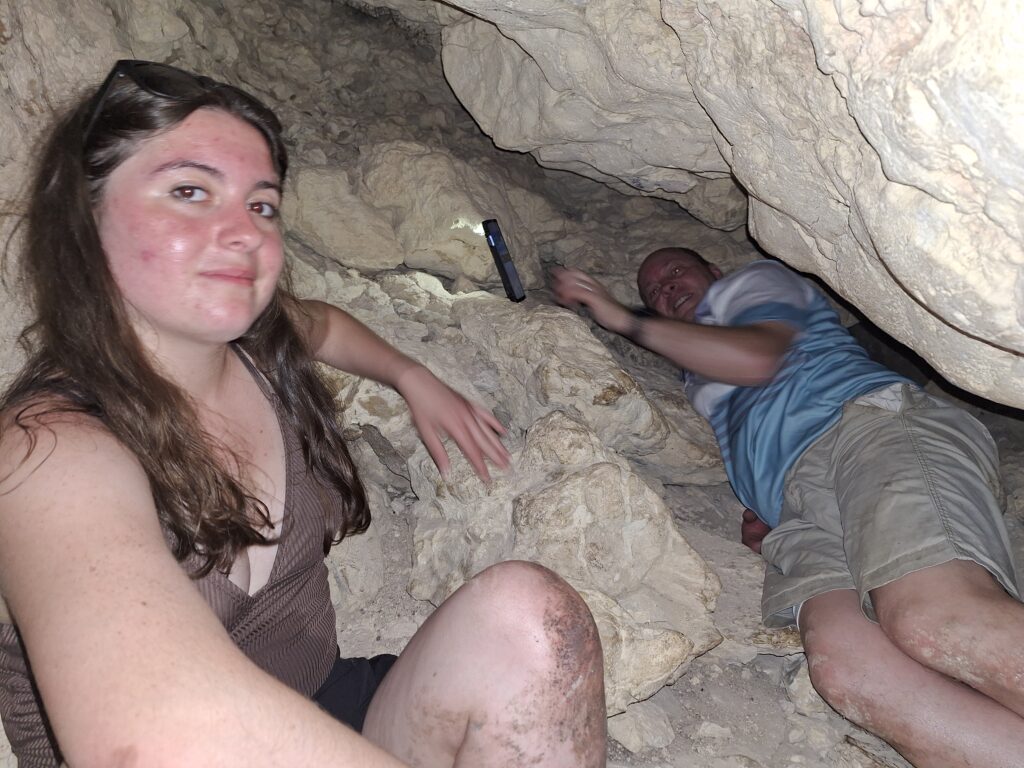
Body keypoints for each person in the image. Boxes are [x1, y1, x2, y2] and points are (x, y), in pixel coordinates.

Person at [0, 60, 607, 768]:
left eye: (261, 205)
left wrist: (411, 376)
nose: (243, 231)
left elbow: (321, 324)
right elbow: (152, 737)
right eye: (190, 191)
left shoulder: (257, 346)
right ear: (84, 218)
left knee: (532, 621)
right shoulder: (45, 455)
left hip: (314, 706)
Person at [552, 247, 1024, 767]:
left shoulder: (754, 283)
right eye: (654, 291)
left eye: (676, 271)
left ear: (714, 271)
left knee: (934, 618)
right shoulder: (694, 370)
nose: (666, 288)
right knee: (851, 671)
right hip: (797, 507)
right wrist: (767, 500)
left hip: (866, 429)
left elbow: (759, 358)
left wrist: (624, 317)